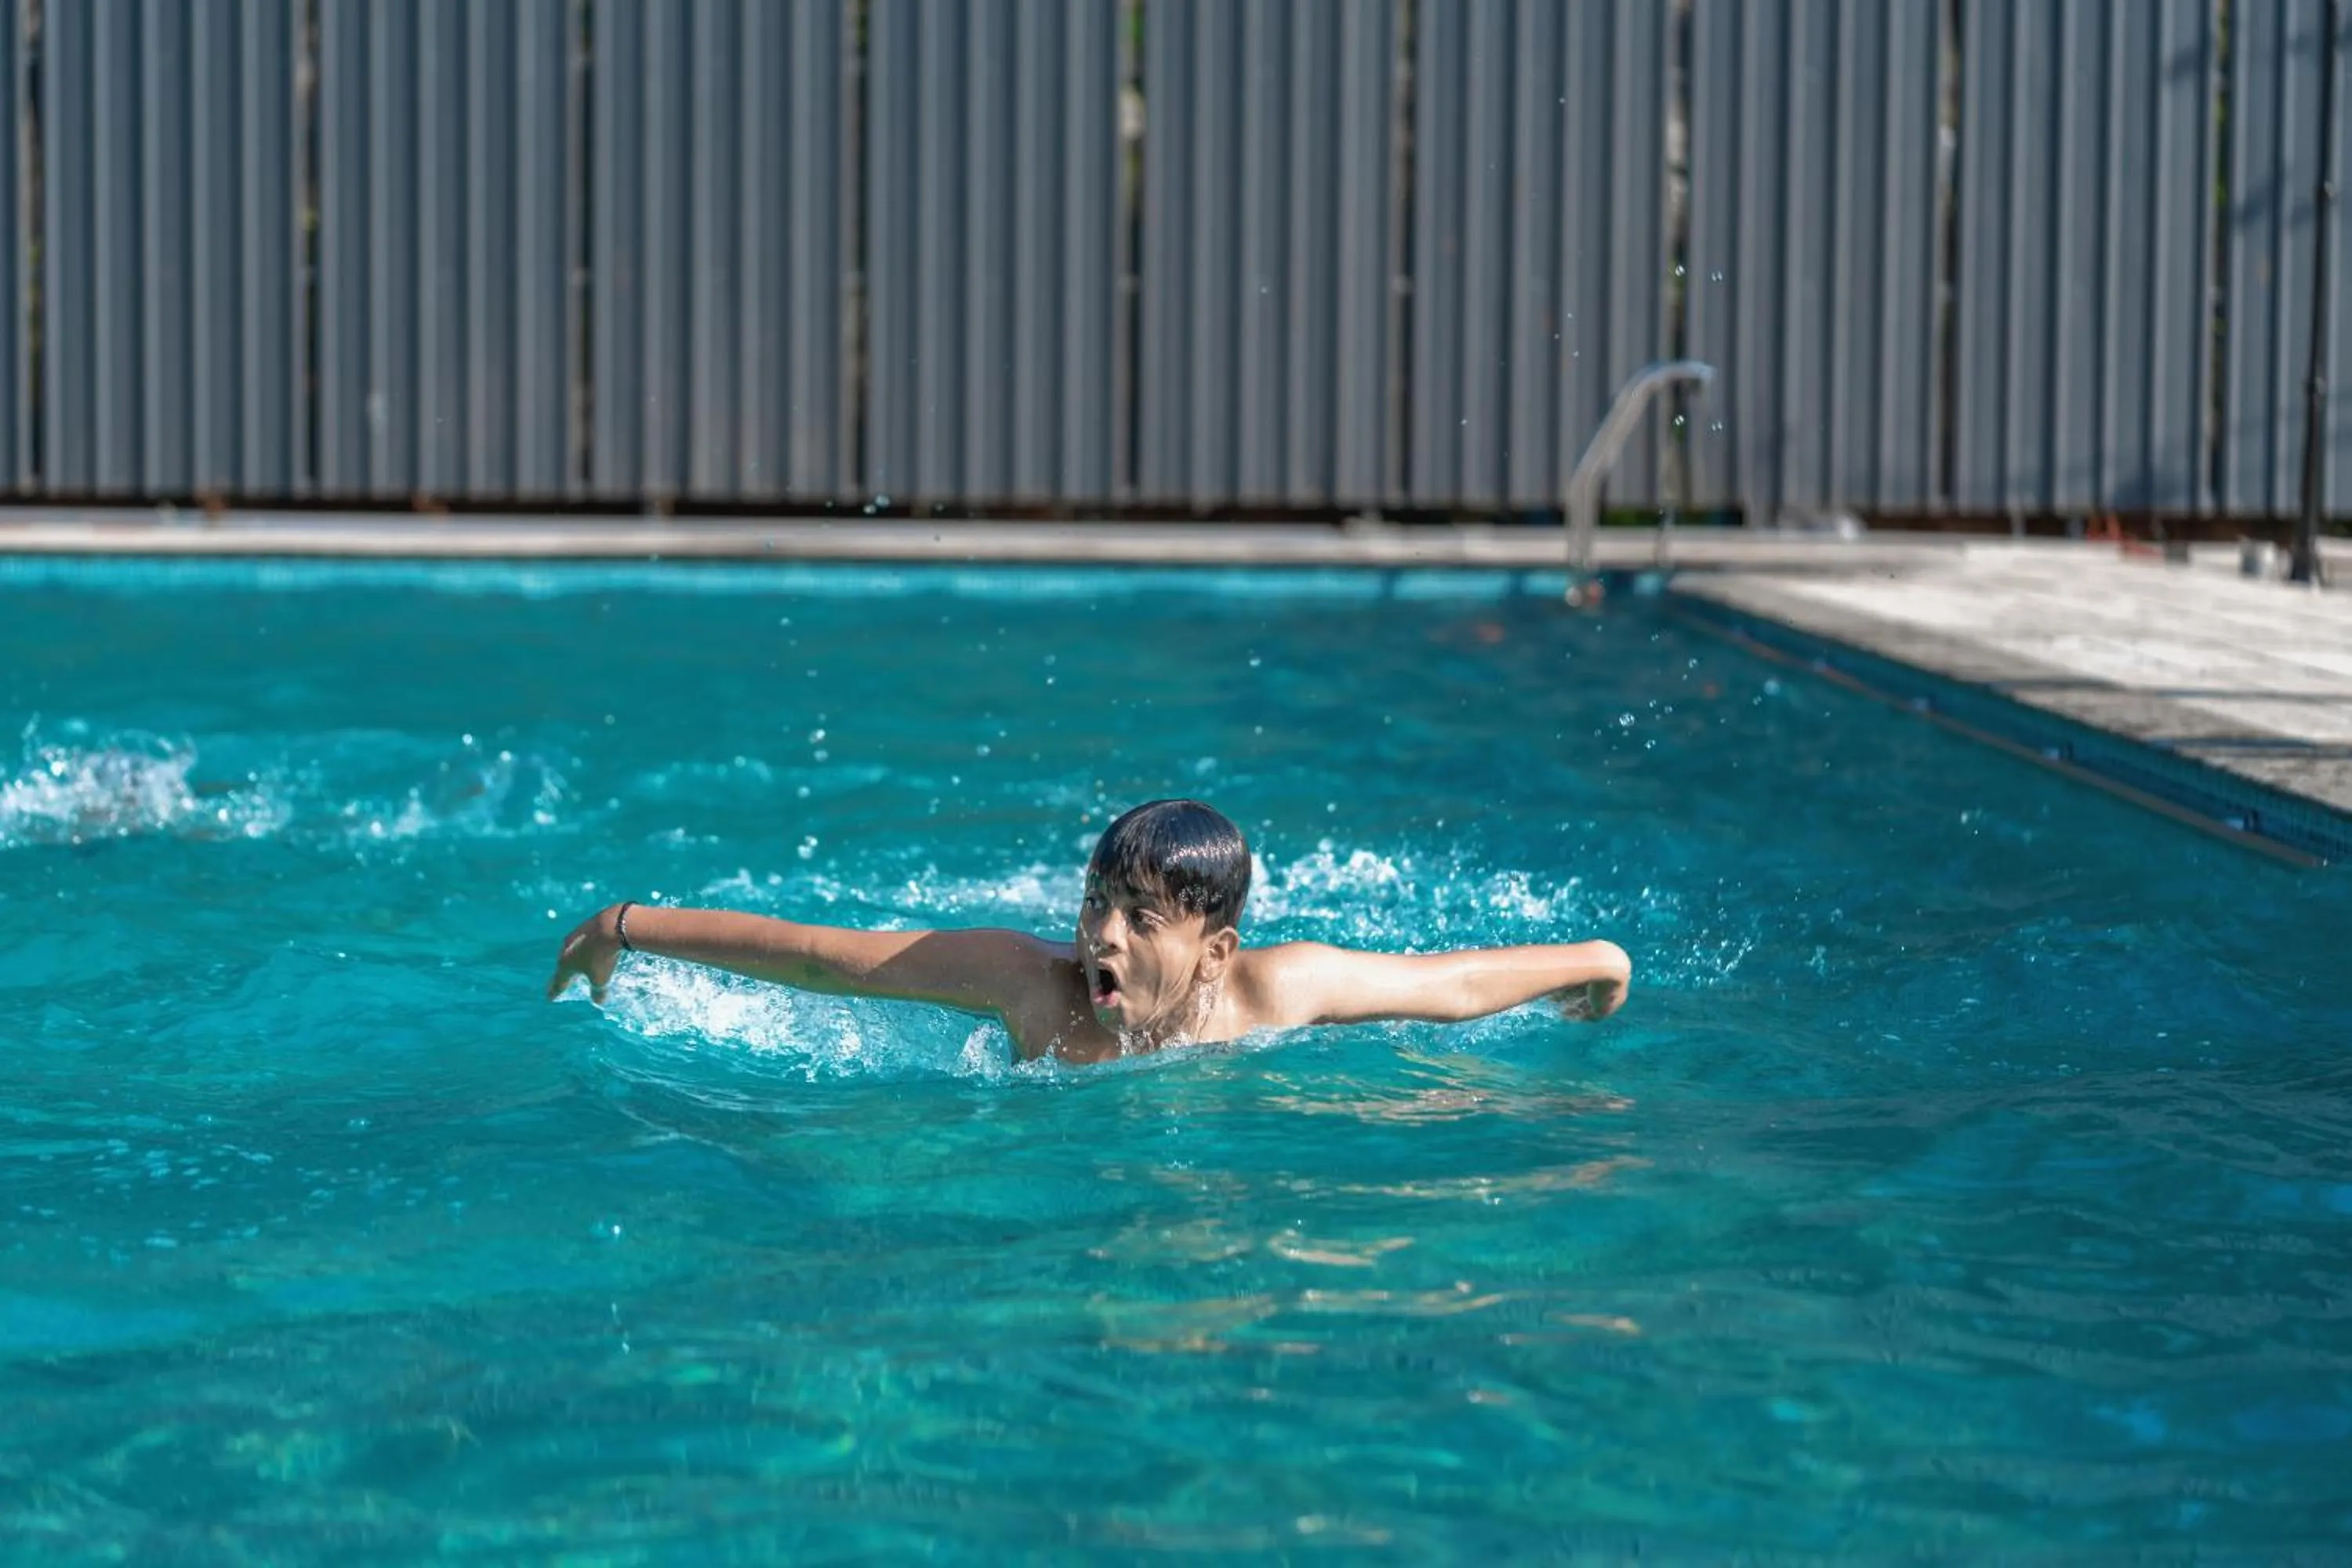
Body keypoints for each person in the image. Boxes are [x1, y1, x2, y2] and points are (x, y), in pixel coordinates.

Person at [546, 798, 1632, 1065]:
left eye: (1139, 919)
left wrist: (1592, 964)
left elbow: (1447, 985)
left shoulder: (1272, 991)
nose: (1099, 937)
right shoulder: (1030, 985)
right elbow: (820, 956)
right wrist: (624, 926)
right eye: (1094, 905)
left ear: (1214, 951)